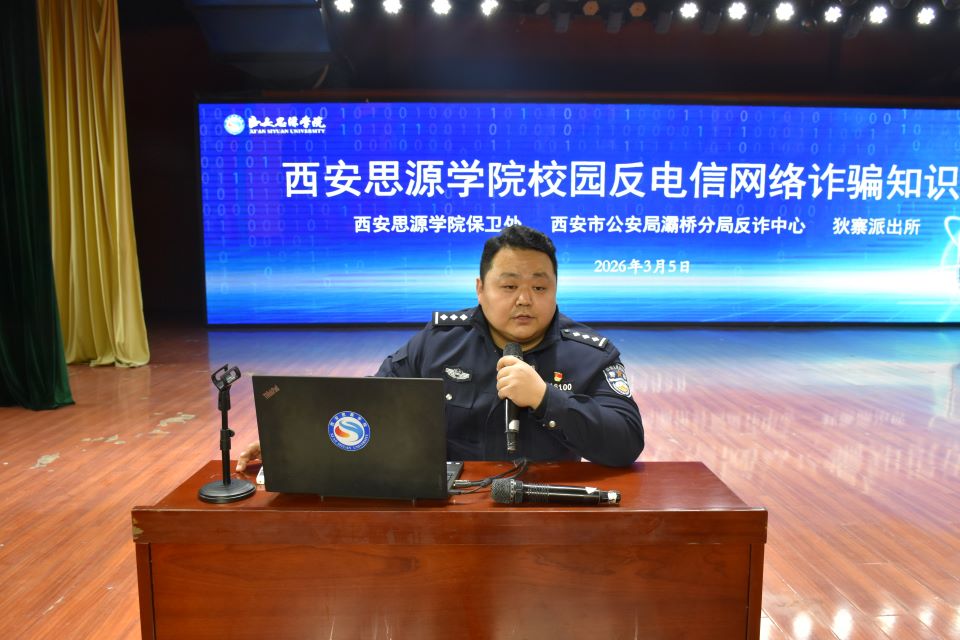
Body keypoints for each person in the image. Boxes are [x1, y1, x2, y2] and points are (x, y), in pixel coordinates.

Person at [237, 225, 643, 471]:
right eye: (509, 285)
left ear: (556, 290)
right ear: (480, 289)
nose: (524, 299)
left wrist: (544, 398)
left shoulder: (591, 354)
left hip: (546, 508)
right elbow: (370, 403)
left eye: (539, 287)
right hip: (448, 506)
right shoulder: (438, 342)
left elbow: (626, 442)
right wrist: (295, 443)